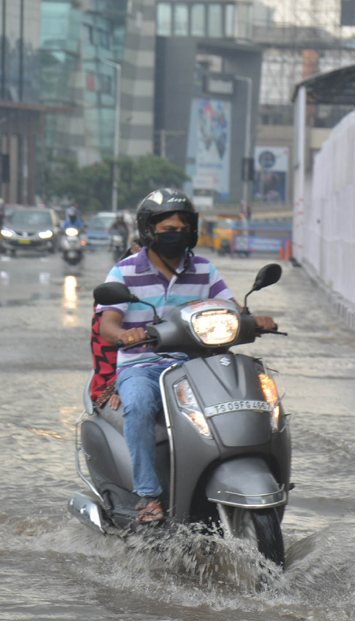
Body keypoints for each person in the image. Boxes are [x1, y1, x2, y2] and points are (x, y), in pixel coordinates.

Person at [96, 188, 275, 524]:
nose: (177, 235)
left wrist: (254, 320)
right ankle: (149, 497)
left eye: (183, 228)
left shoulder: (205, 270)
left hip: (195, 365)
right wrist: (124, 334)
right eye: (168, 230)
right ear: (149, 231)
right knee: (139, 405)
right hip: (142, 365)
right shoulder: (124, 272)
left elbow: (230, 309)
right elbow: (108, 324)